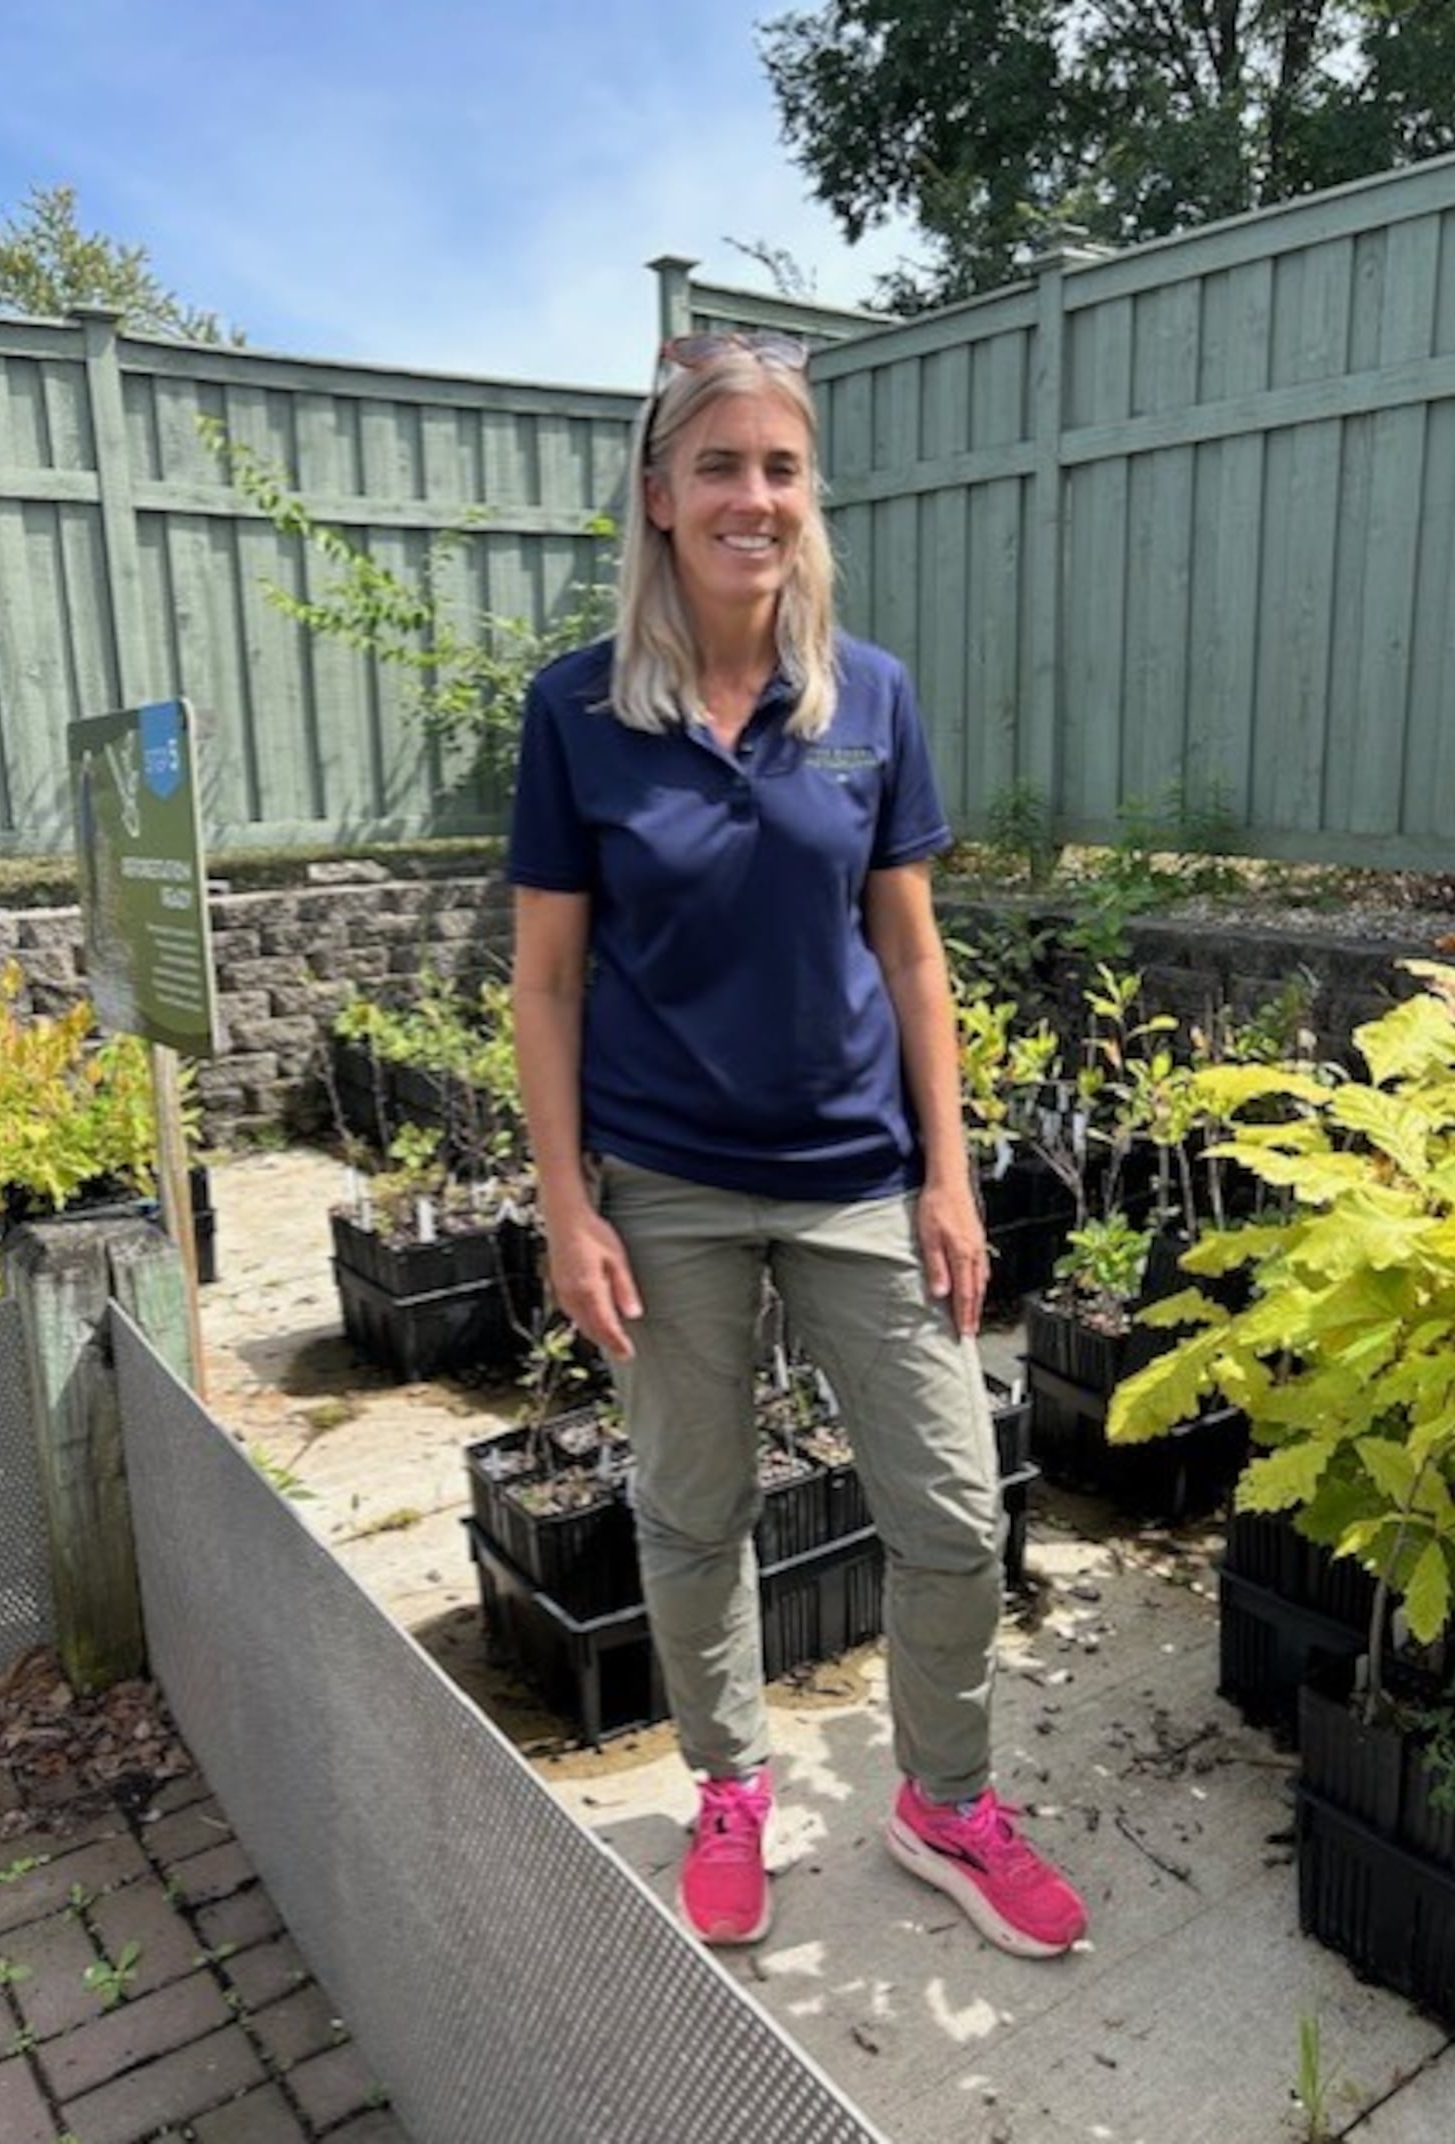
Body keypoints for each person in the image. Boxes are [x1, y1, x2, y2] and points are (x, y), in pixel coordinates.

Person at [507, 330, 1087, 1959]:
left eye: (780, 467)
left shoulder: (869, 695)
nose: (753, 497)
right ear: (659, 496)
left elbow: (911, 952)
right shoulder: (578, 711)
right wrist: (569, 1205)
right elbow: (546, 980)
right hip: (668, 1183)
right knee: (693, 1513)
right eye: (720, 466)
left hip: (853, 1175)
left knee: (956, 1514)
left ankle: (945, 1802)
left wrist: (949, 1174)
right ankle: (729, 1786)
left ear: (804, 494)